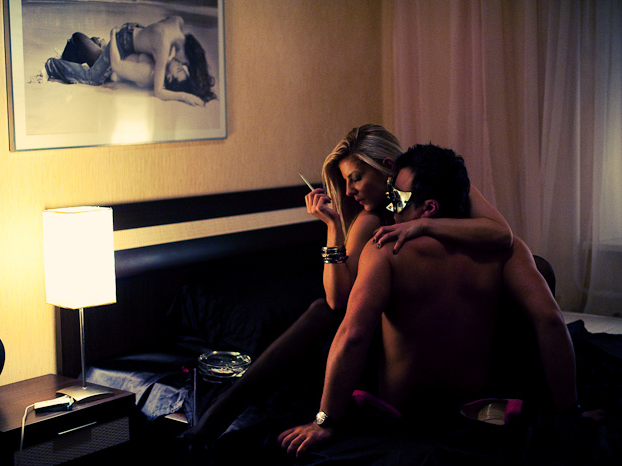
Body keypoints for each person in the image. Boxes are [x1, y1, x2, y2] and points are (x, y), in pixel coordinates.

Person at [182, 126, 513, 447]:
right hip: (383, 335)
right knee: (321, 311)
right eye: (344, 181)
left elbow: (502, 234)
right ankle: (218, 416)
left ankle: (219, 416)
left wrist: (423, 226)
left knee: (322, 313)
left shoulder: (441, 185)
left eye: (355, 177)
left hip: (438, 328)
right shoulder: (371, 221)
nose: (350, 190)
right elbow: (338, 300)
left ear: (387, 167)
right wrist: (333, 227)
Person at [277, 144, 577, 458]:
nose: (390, 206)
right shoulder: (508, 251)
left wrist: (324, 421)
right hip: (472, 408)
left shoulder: (384, 251)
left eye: (397, 198)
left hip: (401, 414)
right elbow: (551, 321)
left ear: (429, 208)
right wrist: (571, 411)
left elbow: (353, 335)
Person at [44, 16, 216, 106]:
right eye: (185, 63)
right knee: (92, 77)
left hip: (130, 32)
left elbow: (153, 33)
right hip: (123, 42)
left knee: (92, 50)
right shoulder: (164, 50)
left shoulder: (177, 23)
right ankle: (52, 65)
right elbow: (159, 92)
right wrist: (185, 96)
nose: (181, 63)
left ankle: (96, 43)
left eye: (181, 67)